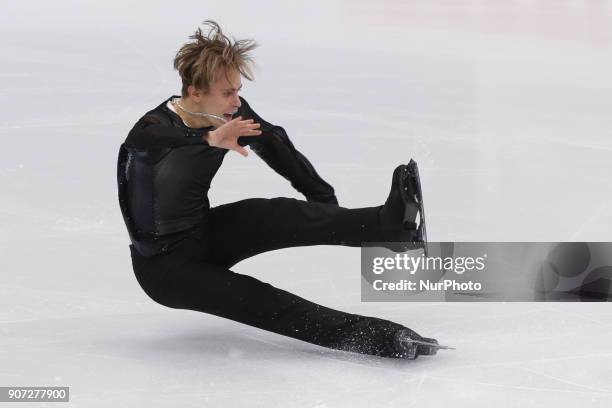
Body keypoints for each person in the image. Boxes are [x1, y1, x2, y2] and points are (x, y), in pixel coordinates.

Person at [117, 20, 439, 360]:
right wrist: (208, 138)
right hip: (165, 269)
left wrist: (323, 203)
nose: (236, 100)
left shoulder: (230, 114)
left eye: (238, 90)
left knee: (277, 213)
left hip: (203, 234)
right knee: (267, 301)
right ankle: (384, 338)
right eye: (227, 93)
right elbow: (149, 142)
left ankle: (387, 228)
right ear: (195, 93)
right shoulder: (153, 128)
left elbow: (272, 142)